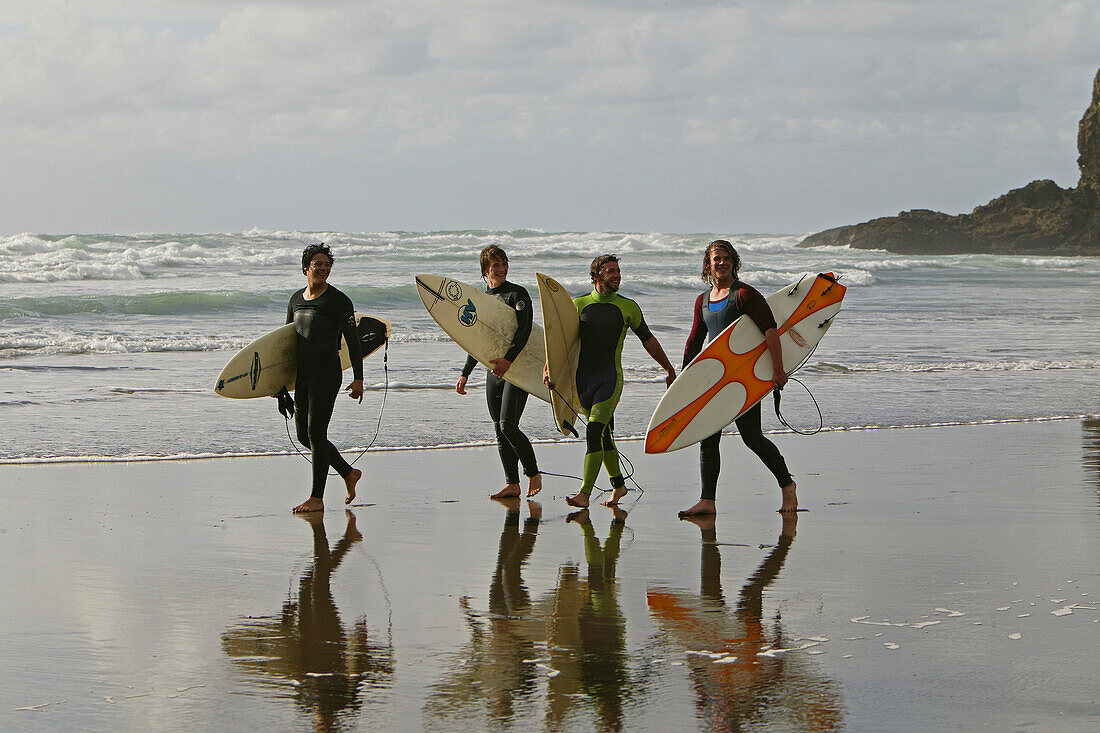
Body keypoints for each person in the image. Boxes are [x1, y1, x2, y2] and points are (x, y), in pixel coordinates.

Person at [544, 254, 676, 508]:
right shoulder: (578, 304)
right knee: (603, 436)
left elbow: (648, 339)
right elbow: (561, 344)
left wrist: (668, 367)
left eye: (618, 270)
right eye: (610, 271)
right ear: (596, 276)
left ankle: (584, 493)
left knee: (593, 431)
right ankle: (619, 486)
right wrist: (549, 369)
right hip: (583, 381)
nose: (617, 275)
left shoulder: (628, 307)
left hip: (609, 379)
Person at [678, 240, 797, 517]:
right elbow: (694, 342)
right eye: (716, 259)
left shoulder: (744, 295)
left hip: (743, 378)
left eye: (726, 258)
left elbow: (770, 331)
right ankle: (707, 501)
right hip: (715, 379)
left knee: (752, 438)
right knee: (708, 438)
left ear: (734, 262)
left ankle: (787, 484)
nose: (721, 263)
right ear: (708, 265)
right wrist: (683, 380)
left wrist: (778, 370)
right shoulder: (703, 300)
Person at [455, 245, 542, 499]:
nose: (502, 269)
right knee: (498, 428)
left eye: (504, 264)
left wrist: (508, 360)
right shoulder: (483, 301)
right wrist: (465, 373)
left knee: (508, 425)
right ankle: (512, 484)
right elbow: (479, 342)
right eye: (496, 265)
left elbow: (524, 331)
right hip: (493, 371)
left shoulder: (518, 294)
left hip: (517, 370)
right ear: (486, 270)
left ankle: (533, 472)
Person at [283, 243, 364, 513]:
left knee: (317, 433)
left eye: (327, 265)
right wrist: (280, 384)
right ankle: (348, 472)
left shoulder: (339, 301)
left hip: (327, 373)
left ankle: (316, 498)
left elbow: (353, 341)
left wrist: (358, 378)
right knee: (305, 437)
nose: (323, 269)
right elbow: (286, 344)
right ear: (306, 267)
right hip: (303, 375)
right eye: (318, 264)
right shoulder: (295, 300)